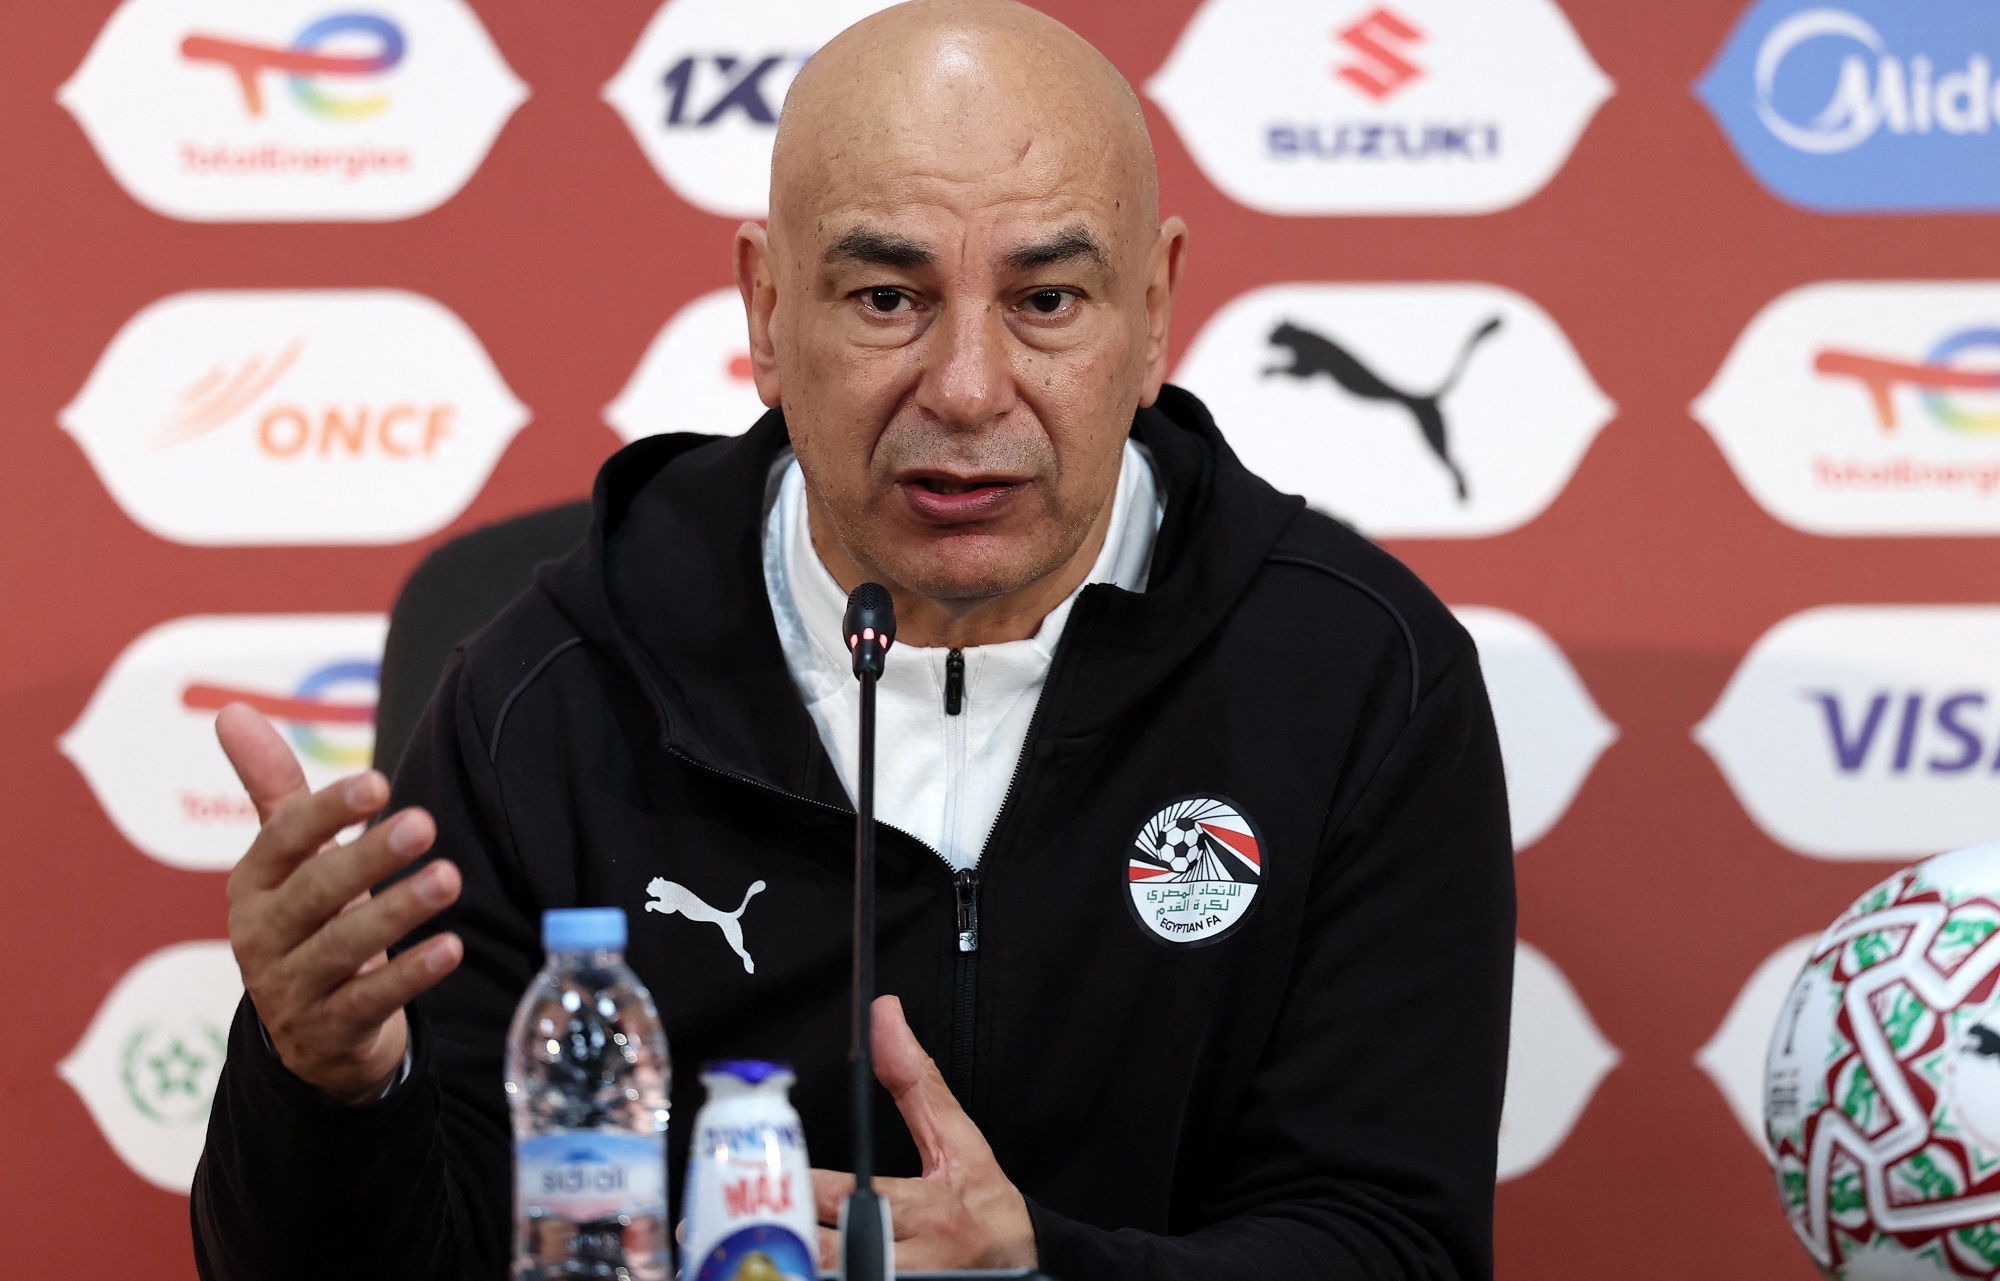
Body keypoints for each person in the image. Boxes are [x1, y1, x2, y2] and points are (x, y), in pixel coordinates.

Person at [192, 2, 1515, 1278]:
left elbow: (1387, 1239)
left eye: (1048, 300)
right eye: (889, 297)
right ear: (768, 311)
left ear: (1155, 312)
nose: (967, 386)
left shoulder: (1358, 681)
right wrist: (325, 1089)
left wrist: (1044, 1270)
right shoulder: (549, 691)